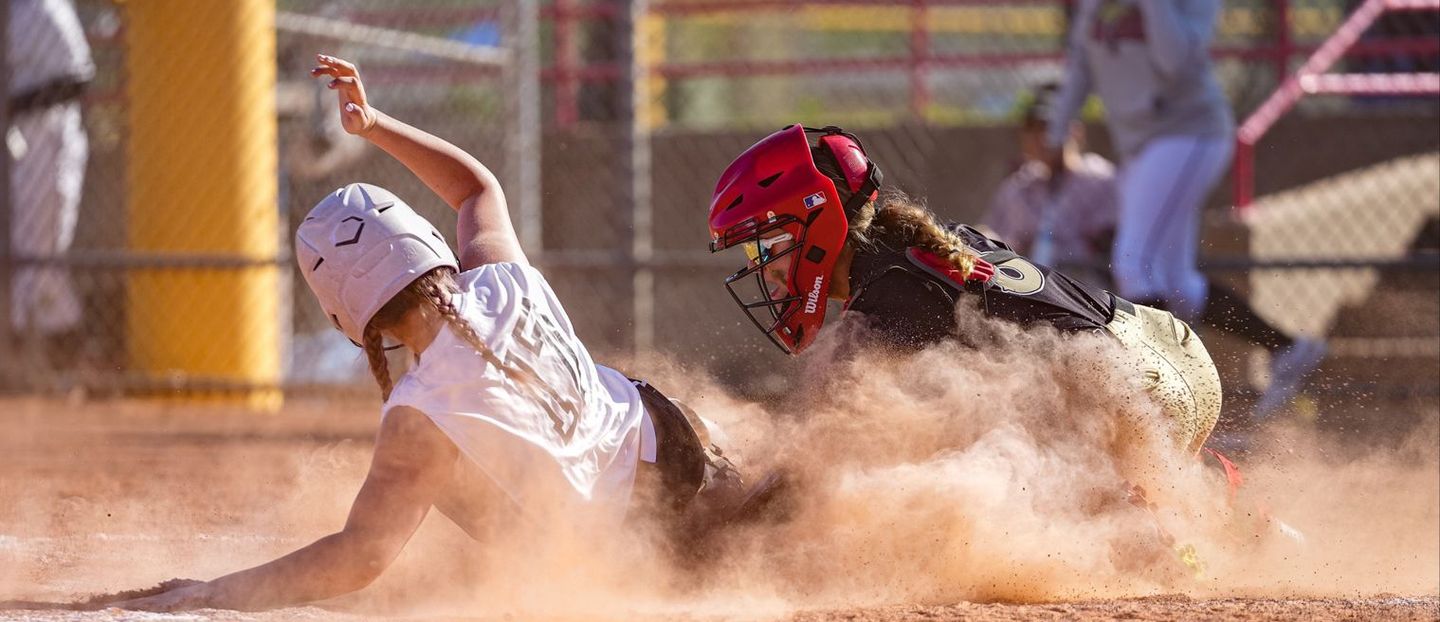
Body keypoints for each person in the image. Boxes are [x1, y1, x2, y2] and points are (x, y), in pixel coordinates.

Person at [112, 55, 773, 612]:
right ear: (424, 244)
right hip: (678, 441)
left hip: (632, 540)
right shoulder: (499, 277)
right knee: (589, 420)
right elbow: (475, 186)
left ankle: (696, 556)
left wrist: (208, 593)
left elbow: (359, 556)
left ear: (347, 312)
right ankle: (745, 508)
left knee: (446, 470)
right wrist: (372, 124)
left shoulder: (420, 409)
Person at [707, 124, 1220, 458]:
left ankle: (1159, 521)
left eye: (766, 247)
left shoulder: (880, 305)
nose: (766, 269)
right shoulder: (922, 239)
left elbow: (818, 457)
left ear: (817, 219)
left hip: (1129, 398)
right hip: (1173, 352)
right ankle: (1224, 495)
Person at [1044, 0, 1326, 420]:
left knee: (1134, 264)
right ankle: (1287, 348)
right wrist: (1054, 139)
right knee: (1177, 286)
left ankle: (1161, 403)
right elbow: (1082, 67)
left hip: (1187, 132)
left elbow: (1175, 62)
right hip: (1140, 146)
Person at [6, 0, 94, 368]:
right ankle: (32, 363)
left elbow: (79, 78)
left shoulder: (45, 8)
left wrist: (14, 104)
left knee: (44, 253)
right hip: (16, 142)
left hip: (51, 135)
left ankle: (61, 364)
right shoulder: (10, 11)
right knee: (27, 255)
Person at [984, 82, 1118, 290]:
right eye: (1032, 130)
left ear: (1075, 131)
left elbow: (1115, 246)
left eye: (1046, 128)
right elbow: (994, 233)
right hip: (1027, 283)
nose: (1040, 139)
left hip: (1083, 287)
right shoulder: (1020, 185)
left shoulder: (1098, 179)